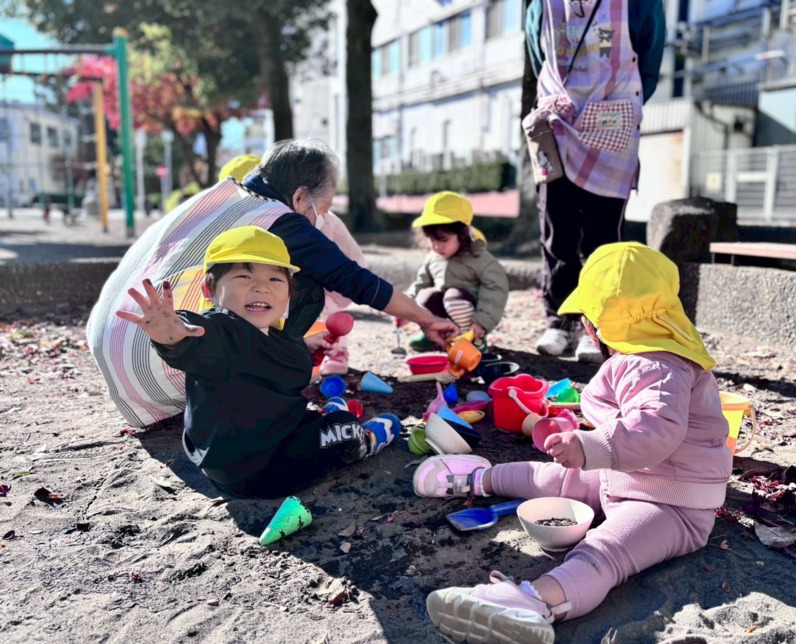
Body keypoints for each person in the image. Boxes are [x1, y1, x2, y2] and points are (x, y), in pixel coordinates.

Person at [412, 242, 732, 644]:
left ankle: (534, 604)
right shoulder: (649, 354)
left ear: (598, 323)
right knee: (555, 477)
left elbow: (655, 429)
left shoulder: (656, 363)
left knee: (604, 551)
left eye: (587, 317)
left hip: (672, 505)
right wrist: (586, 444)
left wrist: (590, 445)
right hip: (630, 477)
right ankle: (481, 477)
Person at [88, 139, 457, 428]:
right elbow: (356, 282)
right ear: (299, 197)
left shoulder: (224, 197)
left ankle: (273, 352)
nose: (321, 219)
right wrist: (426, 320)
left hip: (122, 355)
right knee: (300, 281)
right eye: (322, 209)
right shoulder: (281, 220)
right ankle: (271, 372)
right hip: (166, 361)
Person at [116, 226, 401, 499]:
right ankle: (365, 442)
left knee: (310, 418)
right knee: (343, 426)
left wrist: (308, 345)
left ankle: (323, 420)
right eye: (243, 277)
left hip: (257, 441)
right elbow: (195, 341)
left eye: (275, 280)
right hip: (260, 471)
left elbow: (268, 353)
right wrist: (173, 335)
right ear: (209, 290)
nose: (261, 288)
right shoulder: (219, 330)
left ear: (289, 293)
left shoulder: (272, 333)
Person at [525, 0, 666, 362]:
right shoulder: (542, 4)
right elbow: (536, 56)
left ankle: (598, 324)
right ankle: (559, 319)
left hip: (613, 123)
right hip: (557, 125)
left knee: (604, 235)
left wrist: (614, 105)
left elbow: (649, 61)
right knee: (557, 228)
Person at [219, 153, 366, 376]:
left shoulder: (318, 221)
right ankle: (288, 350)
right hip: (296, 280)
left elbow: (343, 268)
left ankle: (336, 350)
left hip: (335, 284)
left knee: (312, 299)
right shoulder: (254, 226)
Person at [405, 191, 509, 352]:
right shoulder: (433, 258)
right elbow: (420, 284)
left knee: (453, 297)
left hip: (469, 313)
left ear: (462, 234)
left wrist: (481, 322)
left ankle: (473, 339)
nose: (437, 246)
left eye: (443, 240)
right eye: (432, 240)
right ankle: (433, 333)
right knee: (424, 296)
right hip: (444, 314)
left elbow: (495, 289)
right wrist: (405, 306)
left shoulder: (479, 258)